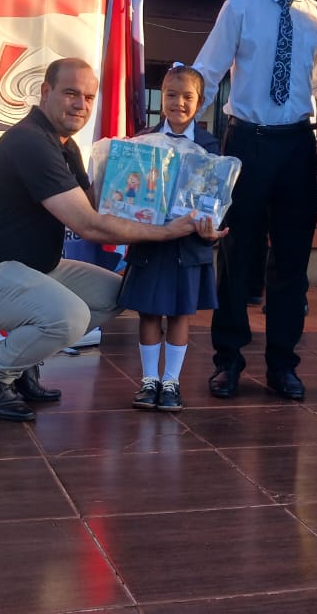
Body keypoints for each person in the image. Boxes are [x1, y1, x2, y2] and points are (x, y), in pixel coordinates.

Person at [0, 57, 223, 422]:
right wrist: (167, 231)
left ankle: (22, 362)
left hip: (33, 268)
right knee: (70, 317)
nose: (81, 105)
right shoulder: (31, 142)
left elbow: (95, 203)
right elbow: (89, 224)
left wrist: (124, 171)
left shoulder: (65, 145)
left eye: (89, 97)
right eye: (71, 93)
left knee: (117, 295)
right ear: (45, 92)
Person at [193, 0, 317, 401]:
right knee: (236, 254)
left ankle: (283, 364)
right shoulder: (237, 8)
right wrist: (181, 130)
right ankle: (228, 360)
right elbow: (208, 70)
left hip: (297, 144)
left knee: (292, 259)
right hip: (246, 142)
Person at [120, 65, 220, 413]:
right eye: (171, 95)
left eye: (187, 97)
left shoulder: (210, 146)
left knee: (180, 313)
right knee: (148, 313)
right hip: (149, 240)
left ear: (201, 103)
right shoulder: (143, 141)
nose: (179, 103)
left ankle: (171, 381)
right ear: (161, 98)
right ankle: (149, 380)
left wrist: (212, 228)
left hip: (189, 245)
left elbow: (218, 197)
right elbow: (129, 190)